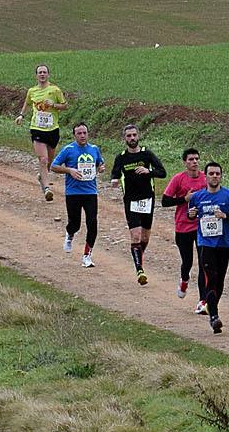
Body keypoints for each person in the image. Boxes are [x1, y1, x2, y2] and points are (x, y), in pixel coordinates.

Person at [187, 162, 229, 334]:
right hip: (205, 244)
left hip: (223, 244)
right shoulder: (197, 197)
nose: (214, 176)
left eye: (217, 174)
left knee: (219, 280)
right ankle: (214, 316)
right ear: (205, 176)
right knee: (210, 277)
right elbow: (190, 214)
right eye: (211, 173)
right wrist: (190, 215)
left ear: (221, 176)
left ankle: (212, 307)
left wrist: (225, 216)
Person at [110, 124, 168, 284]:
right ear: (124, 139)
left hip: (147, 200)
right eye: (129, 136)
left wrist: (148, 171)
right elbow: (115, 173)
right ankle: (139, 270)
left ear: (138, 136)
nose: (132, 138)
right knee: (135, 235)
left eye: (134, 135)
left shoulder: (147, 154)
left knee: (145, 237)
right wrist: (114, 180)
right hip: (130, 201)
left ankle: (137, 257)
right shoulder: (121, 157)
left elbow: (162, 172)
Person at [50, 123, 105, 267]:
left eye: (84, 133)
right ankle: (70, 234)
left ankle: (87, 255)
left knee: (92, 223)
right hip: (73, 192)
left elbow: (100, 164)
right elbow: (53, 166)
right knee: (75, 223)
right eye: (79, 133)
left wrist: (101, 168)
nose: (82, 136)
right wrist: (70, 171)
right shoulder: (68, 150)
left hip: (90, 192)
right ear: (74, 135)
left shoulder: (94, 149)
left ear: (88, 134)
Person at [161, 149, 209, 303]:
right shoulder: (178, 179)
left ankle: (203, 301)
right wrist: (184, 199)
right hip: (183, 226)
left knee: (204, 264)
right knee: (187, 262)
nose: (194, 162)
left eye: (196, 159)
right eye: (191, 159)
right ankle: (184, 280)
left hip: (202, 226)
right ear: (185, 162)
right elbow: (165, 201)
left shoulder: (205, 178)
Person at [21, 64, 68, 201]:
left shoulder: (55, 90)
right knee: (43, 159)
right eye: (40, 72)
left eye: (44, 72)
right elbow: (27, 104)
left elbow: (65, 106)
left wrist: (53, 105)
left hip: (52, 129)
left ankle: (42, 176)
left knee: (49, 162)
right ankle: (47, 188)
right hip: (37, 128)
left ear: (48, 75)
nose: (42, 74)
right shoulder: (32, 91)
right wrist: (21, 115)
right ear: (36, 75)